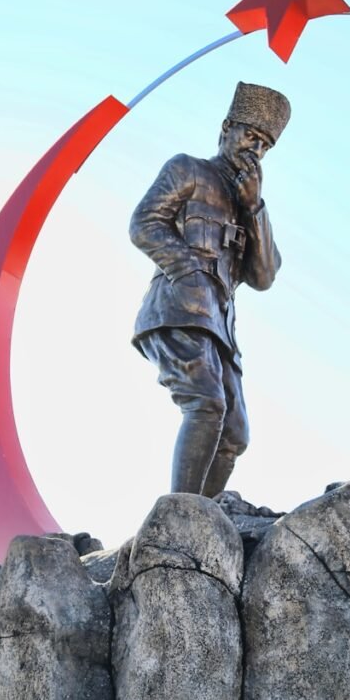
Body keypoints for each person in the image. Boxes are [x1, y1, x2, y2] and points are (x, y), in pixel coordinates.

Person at [130, 81, 290, 495]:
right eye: (250, 136)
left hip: (220, 325)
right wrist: (189, 275)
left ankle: (205, 519)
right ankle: (180, 515)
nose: (254, 149)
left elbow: (264, 276)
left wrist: (255, 207)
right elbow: (144, 224)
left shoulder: (249, 205)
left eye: (265, 146)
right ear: (226, 128)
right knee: (206, 404)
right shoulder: (188, 169)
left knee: (235, 434)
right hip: (179, 308)